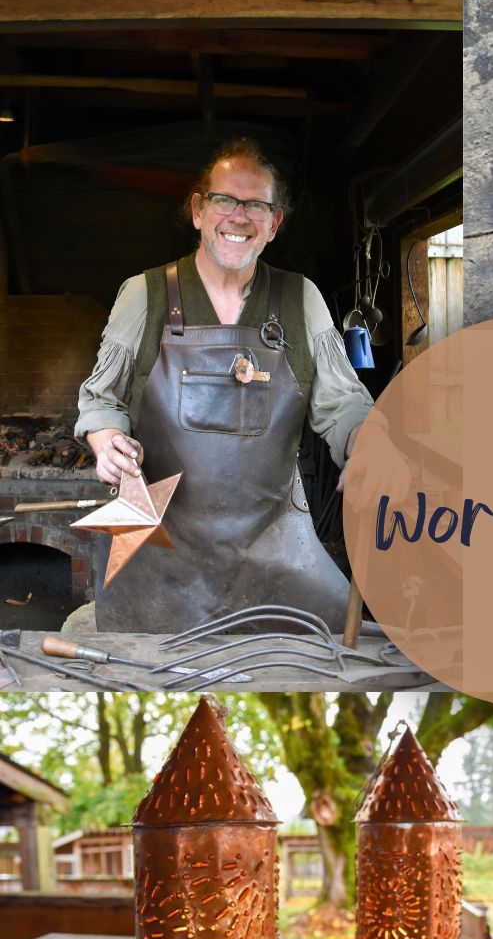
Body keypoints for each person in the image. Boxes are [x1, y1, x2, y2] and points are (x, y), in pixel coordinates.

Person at [75, 137, 404, 632]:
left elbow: (343, 408)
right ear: (199, 210)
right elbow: (101, 400)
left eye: (256, 205)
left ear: (274, 225)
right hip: (156, 558)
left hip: (276, 554)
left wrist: (368, 443)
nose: (239, 216)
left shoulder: (301, 299)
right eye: (226, 200)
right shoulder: (144, 295)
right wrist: (106, 441)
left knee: (335, 651)